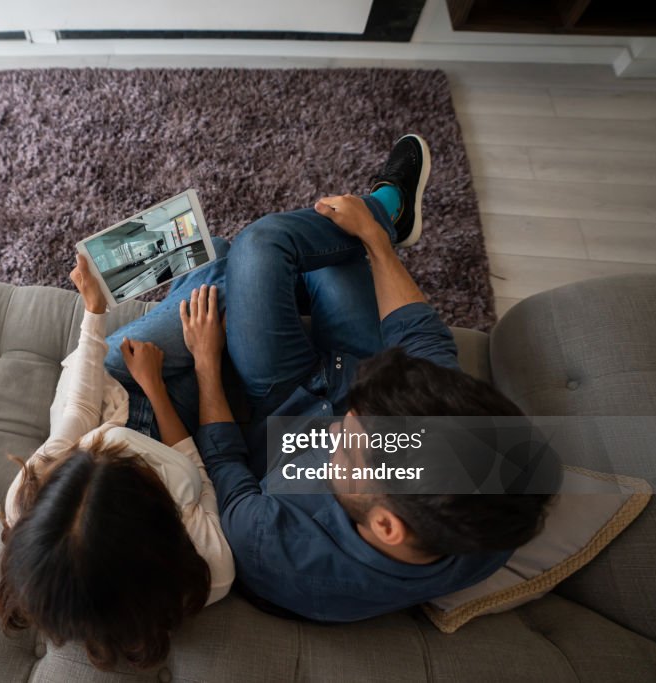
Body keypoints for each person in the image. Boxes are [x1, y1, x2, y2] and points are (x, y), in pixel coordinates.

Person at [103, 134, 561, 622]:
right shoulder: (495, 482)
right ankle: (387, 213)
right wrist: (379, 243)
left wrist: (206, 362)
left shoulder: (278, 550)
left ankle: (223, 266)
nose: (339, 425)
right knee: (325, 248)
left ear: (386, 526)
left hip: (280, 404)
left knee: (139, 336)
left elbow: (225, 466)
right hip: (352, 365)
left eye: (345, 442)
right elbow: (422, 340)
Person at [0, 255, 235, 670]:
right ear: (159, 515)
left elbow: (80, 414)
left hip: (113, 392)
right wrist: (174, 378)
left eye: (80, 456)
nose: (96, 447)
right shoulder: (210, 568)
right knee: (220, 274)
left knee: (212, 266)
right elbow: (199, 471)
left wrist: (94, 311)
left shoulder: (28, 497)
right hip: (172, 427)